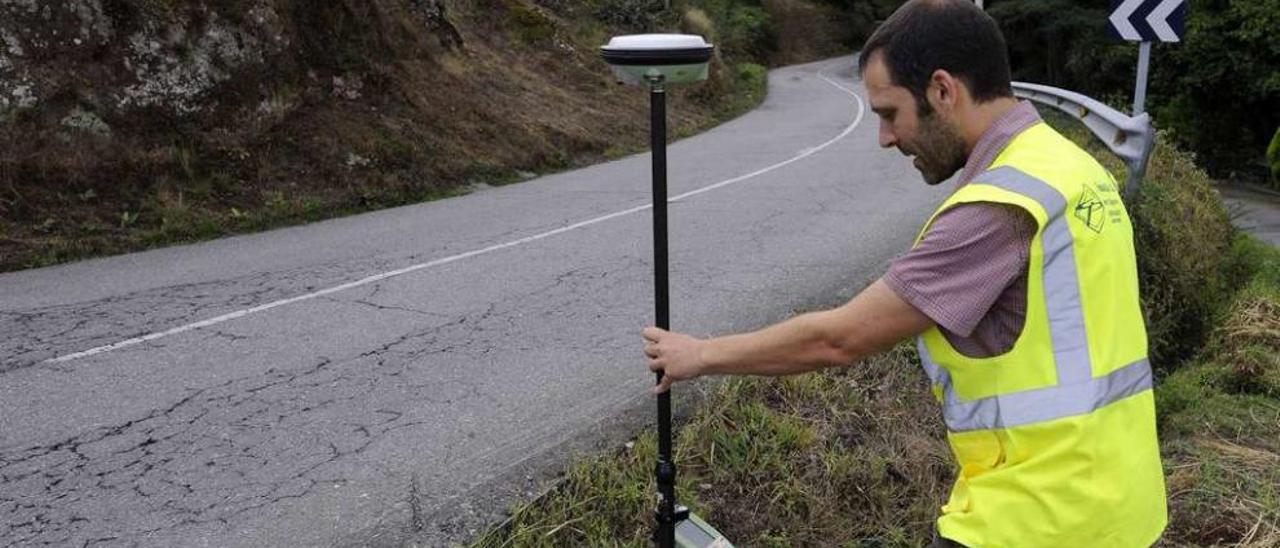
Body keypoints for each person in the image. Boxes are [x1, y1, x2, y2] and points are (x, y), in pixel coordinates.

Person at [640, 0, 1168, 546]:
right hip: (1124, 508)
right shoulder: (1073, 167)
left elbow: (838, 339)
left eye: (890, 113)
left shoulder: (996, 209)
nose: (885, 138)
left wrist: (699, 355)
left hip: (1035, 519)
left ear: (942, 90)